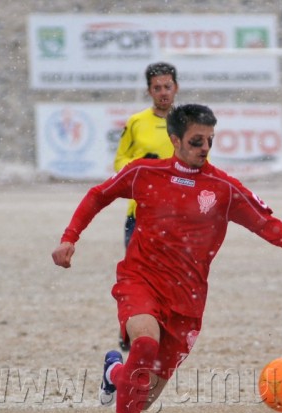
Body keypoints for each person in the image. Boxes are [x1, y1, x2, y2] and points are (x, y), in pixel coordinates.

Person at [52, 104, 282, 413]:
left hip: (187, 301)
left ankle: (114, 372)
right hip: (140, 280)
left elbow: (266, 225)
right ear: (175, 139)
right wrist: (69, 239)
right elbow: (98, 195)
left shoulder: (223, 188)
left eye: (210, 140)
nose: (205, 147)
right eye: (196, 141)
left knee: (141, 396)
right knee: (143, 343)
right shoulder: (144, 172)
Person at [113, 62, 180, 351]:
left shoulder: (186, 122)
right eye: (157, 88)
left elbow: (202, 164)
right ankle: (128, 330)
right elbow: (119, 163)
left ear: (176, 87)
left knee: (173, 277)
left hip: (178, 218)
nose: (163, 93)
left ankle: (162, 329)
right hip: (140, 215)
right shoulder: (136, 122)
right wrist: (143, 168)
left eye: (167, 86)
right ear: (148, 90)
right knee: (136, 278)